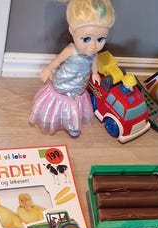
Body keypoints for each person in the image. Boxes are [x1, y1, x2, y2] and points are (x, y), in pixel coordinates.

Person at [29, 0, 115, 137]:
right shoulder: (71, 50)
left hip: (79, 84)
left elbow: (94, 61)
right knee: (62, 100)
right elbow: (57, 61)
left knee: (75, 101)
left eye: (100, 39)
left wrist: (94, 73)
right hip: (64, 81)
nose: (93, 46)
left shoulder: (93, 53)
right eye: (86, 39)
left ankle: (72, 123)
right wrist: (48, 69)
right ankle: (55, 118)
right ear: (72, 31)